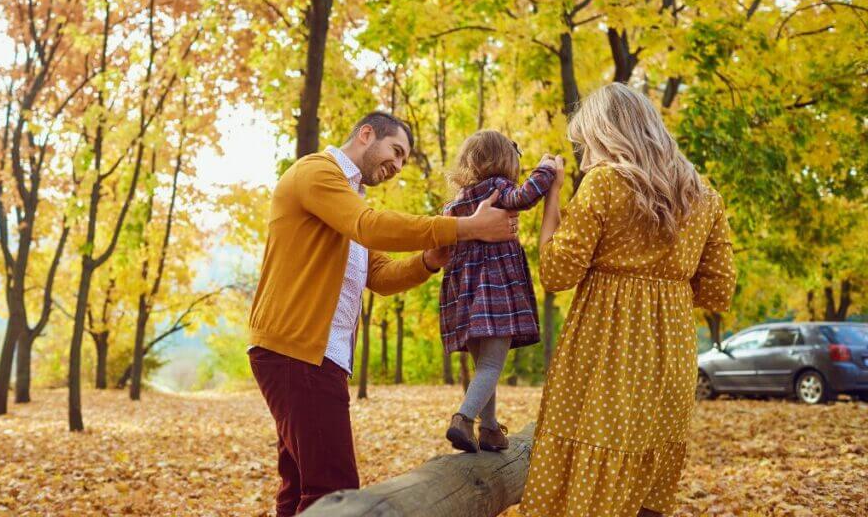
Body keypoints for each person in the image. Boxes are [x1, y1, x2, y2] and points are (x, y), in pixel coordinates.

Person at [248, 111, 519, 516]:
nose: (396, 166)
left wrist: (428, 260)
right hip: (298, 352)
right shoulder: (317, 173)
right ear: (366, 134)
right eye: (395, 151)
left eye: (403, 161)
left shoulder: (349, 200)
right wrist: (462, 228)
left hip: (321, 355)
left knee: (301, 488)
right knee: (333, 490)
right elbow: (369, 226)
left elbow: (380, 275)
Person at [520, 83, 736, 517]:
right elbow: (718, 289)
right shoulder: (705, 196)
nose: (586, 154)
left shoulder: (603, 184)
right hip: (671, 353)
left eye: (586, 143)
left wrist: (553, 198)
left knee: (591, 464)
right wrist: (665, 288)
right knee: (648, 475)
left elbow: (556, 273)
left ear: (607, 132)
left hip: (606, 350)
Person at [439, 130, 558, 453]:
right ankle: (463, 418)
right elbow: (525, 197)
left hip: (464, 297)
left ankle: (490, 430)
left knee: (485, 367)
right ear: (505, 160)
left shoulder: (458, 201)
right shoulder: (497, 188)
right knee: (492, 366)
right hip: (495, 292)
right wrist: (547, 169)